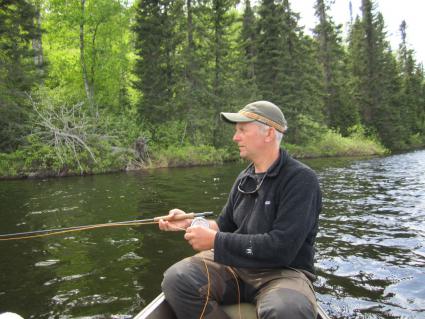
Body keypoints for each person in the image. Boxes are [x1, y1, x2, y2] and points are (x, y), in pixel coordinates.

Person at [159, 100, 322, 319]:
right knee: (176, 279)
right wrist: (190, 223)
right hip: (236, 267)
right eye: (236, 131)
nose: (235, 137)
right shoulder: (244, 178)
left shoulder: (301, 180)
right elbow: (224, 225)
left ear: (269, 134)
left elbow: (282, 248)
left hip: (284, 272)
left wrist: (216, 241)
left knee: (287, 310)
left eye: (242, 130)